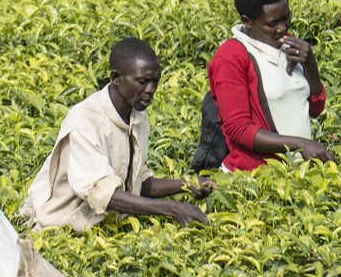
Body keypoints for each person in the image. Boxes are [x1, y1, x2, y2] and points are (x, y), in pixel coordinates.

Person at [22, 37, 215, 231]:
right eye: (142, 81)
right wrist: (172, 208)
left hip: (107, 228)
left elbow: (138, 181)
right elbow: (101, 193)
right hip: (60, 230)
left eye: (155, 82)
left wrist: (186, 185)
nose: (150, 90)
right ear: (116, 78)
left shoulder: (137, 116)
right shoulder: (84, 120)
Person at [208, 0, 332, 172]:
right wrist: (300, 144)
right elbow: (239, 130)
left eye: (286, 18)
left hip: (299, 173)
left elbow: (315, 109)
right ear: (247, 22)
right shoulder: (231, 57)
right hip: (255, 177)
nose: (282, 28)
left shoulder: (288, 44)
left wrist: (310, 64)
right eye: (272, 23)